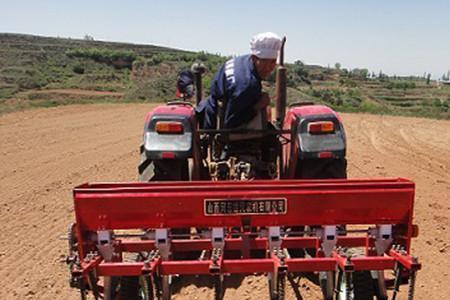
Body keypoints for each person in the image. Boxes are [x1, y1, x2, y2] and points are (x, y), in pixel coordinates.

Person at [196, 32, 282, 130]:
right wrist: (258, 106)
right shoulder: (246, 85)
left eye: (272, 62)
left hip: (212, 109)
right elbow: (231, 122)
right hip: (218, 123)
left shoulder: (242, 61)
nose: (268, 68)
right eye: (264, 62)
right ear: (254, 58)